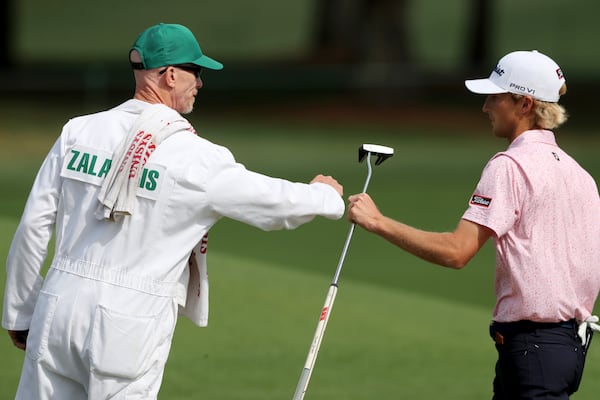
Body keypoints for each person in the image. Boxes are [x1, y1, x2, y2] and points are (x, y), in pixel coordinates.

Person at [2, 23, 345, 399]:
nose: (200, 83)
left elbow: (34, 226)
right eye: (195, 73)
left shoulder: (78, 132)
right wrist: (325, 196)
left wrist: (19, 310)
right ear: (169, 75)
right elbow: (274, 204)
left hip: (58, 304)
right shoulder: (195, 156)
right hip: (129, 320)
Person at [348, 50, 600, 399]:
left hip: (534, 350)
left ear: (524, 104)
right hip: (565, 349)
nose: (485, 107)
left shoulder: (509, 166)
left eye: (495, 97)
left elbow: (457, 251)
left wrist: (378, 222)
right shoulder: (581, 175)